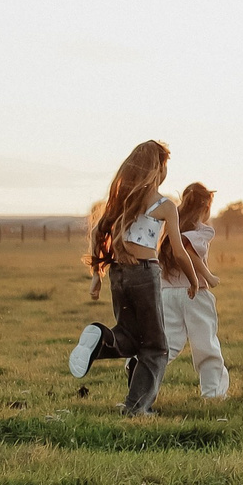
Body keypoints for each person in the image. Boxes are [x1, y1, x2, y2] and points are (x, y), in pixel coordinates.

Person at [70, 140, 201, 416]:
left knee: (129, 336)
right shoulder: (165, 206)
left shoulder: (120, 202)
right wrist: (193, 279)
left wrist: (97, 276)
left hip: (118, 273)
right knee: (155, 347)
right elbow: (178, 251)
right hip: (144, 273)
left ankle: (100, 339)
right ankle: (136, 409)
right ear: (158, 169)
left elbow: (98, 234)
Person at [160, 181, 228, 398]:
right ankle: (213, 393)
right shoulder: (200, 230)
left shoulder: (171, 228)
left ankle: (139, 366)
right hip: (194, 292)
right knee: (205, 344)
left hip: (168, 293)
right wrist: (207, 276)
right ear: (205, 207)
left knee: (168, 343)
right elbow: (189, 250)